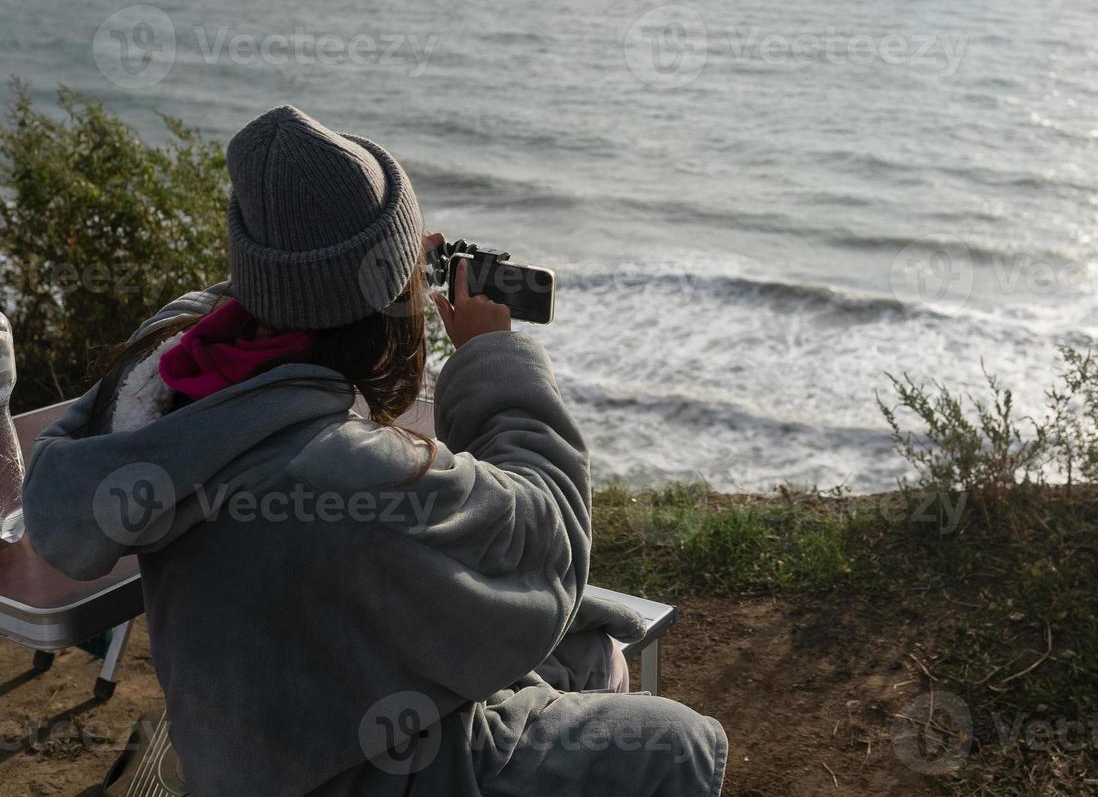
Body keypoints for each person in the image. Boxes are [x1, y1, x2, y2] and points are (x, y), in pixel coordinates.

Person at [22, 106, 727, 797]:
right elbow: (547, 549)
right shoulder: (346, 470)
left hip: (242, 752)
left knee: (586, 649)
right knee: (675, 740)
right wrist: (490, 353)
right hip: (371, 771)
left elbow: (259, 294)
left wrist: (356, 272)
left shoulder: (170, 383)